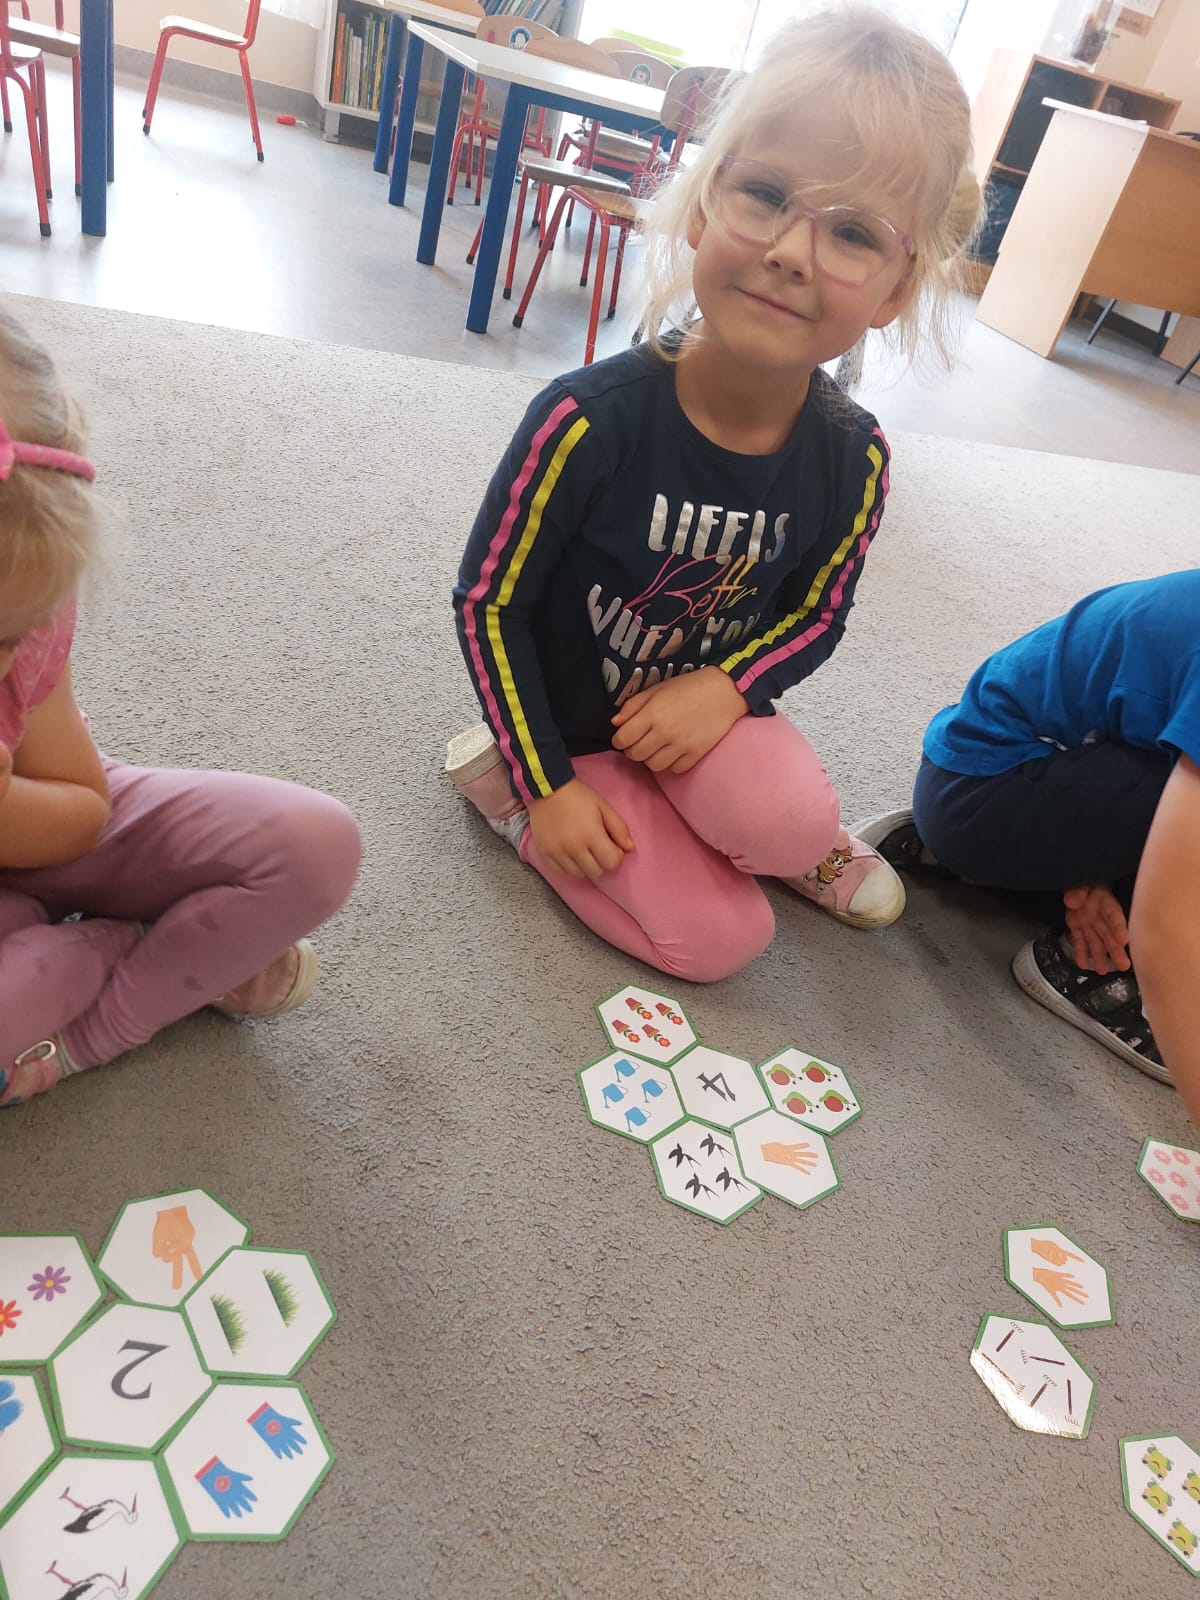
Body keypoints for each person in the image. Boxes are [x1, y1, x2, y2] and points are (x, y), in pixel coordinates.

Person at [447, 5, 982, 982]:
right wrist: (549, 786)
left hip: (704, 714)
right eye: (766, 195)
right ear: (701, 206)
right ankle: (506, 795)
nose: (791, 251)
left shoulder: (854, 456)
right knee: (720, 941)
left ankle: (766, 841)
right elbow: (489, 605)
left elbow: (818, 614)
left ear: (898, 289)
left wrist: (729, 688)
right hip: (574, 731)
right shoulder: (584, 422)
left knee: (793, 825)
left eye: (853, 233)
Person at [0, 306, 362, 1108]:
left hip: (36, 830)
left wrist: (7, 803)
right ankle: (144, 949)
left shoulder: (26, 596)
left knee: (315, 845)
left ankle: (90, 1023)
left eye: (7, 638)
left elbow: (80, 807)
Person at [858, 571, 1200, 1127]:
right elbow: (1169, 930)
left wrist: (1094, 873)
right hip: (981, 794)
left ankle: (1017, 868)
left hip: (995, 782)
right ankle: (1083, 970)